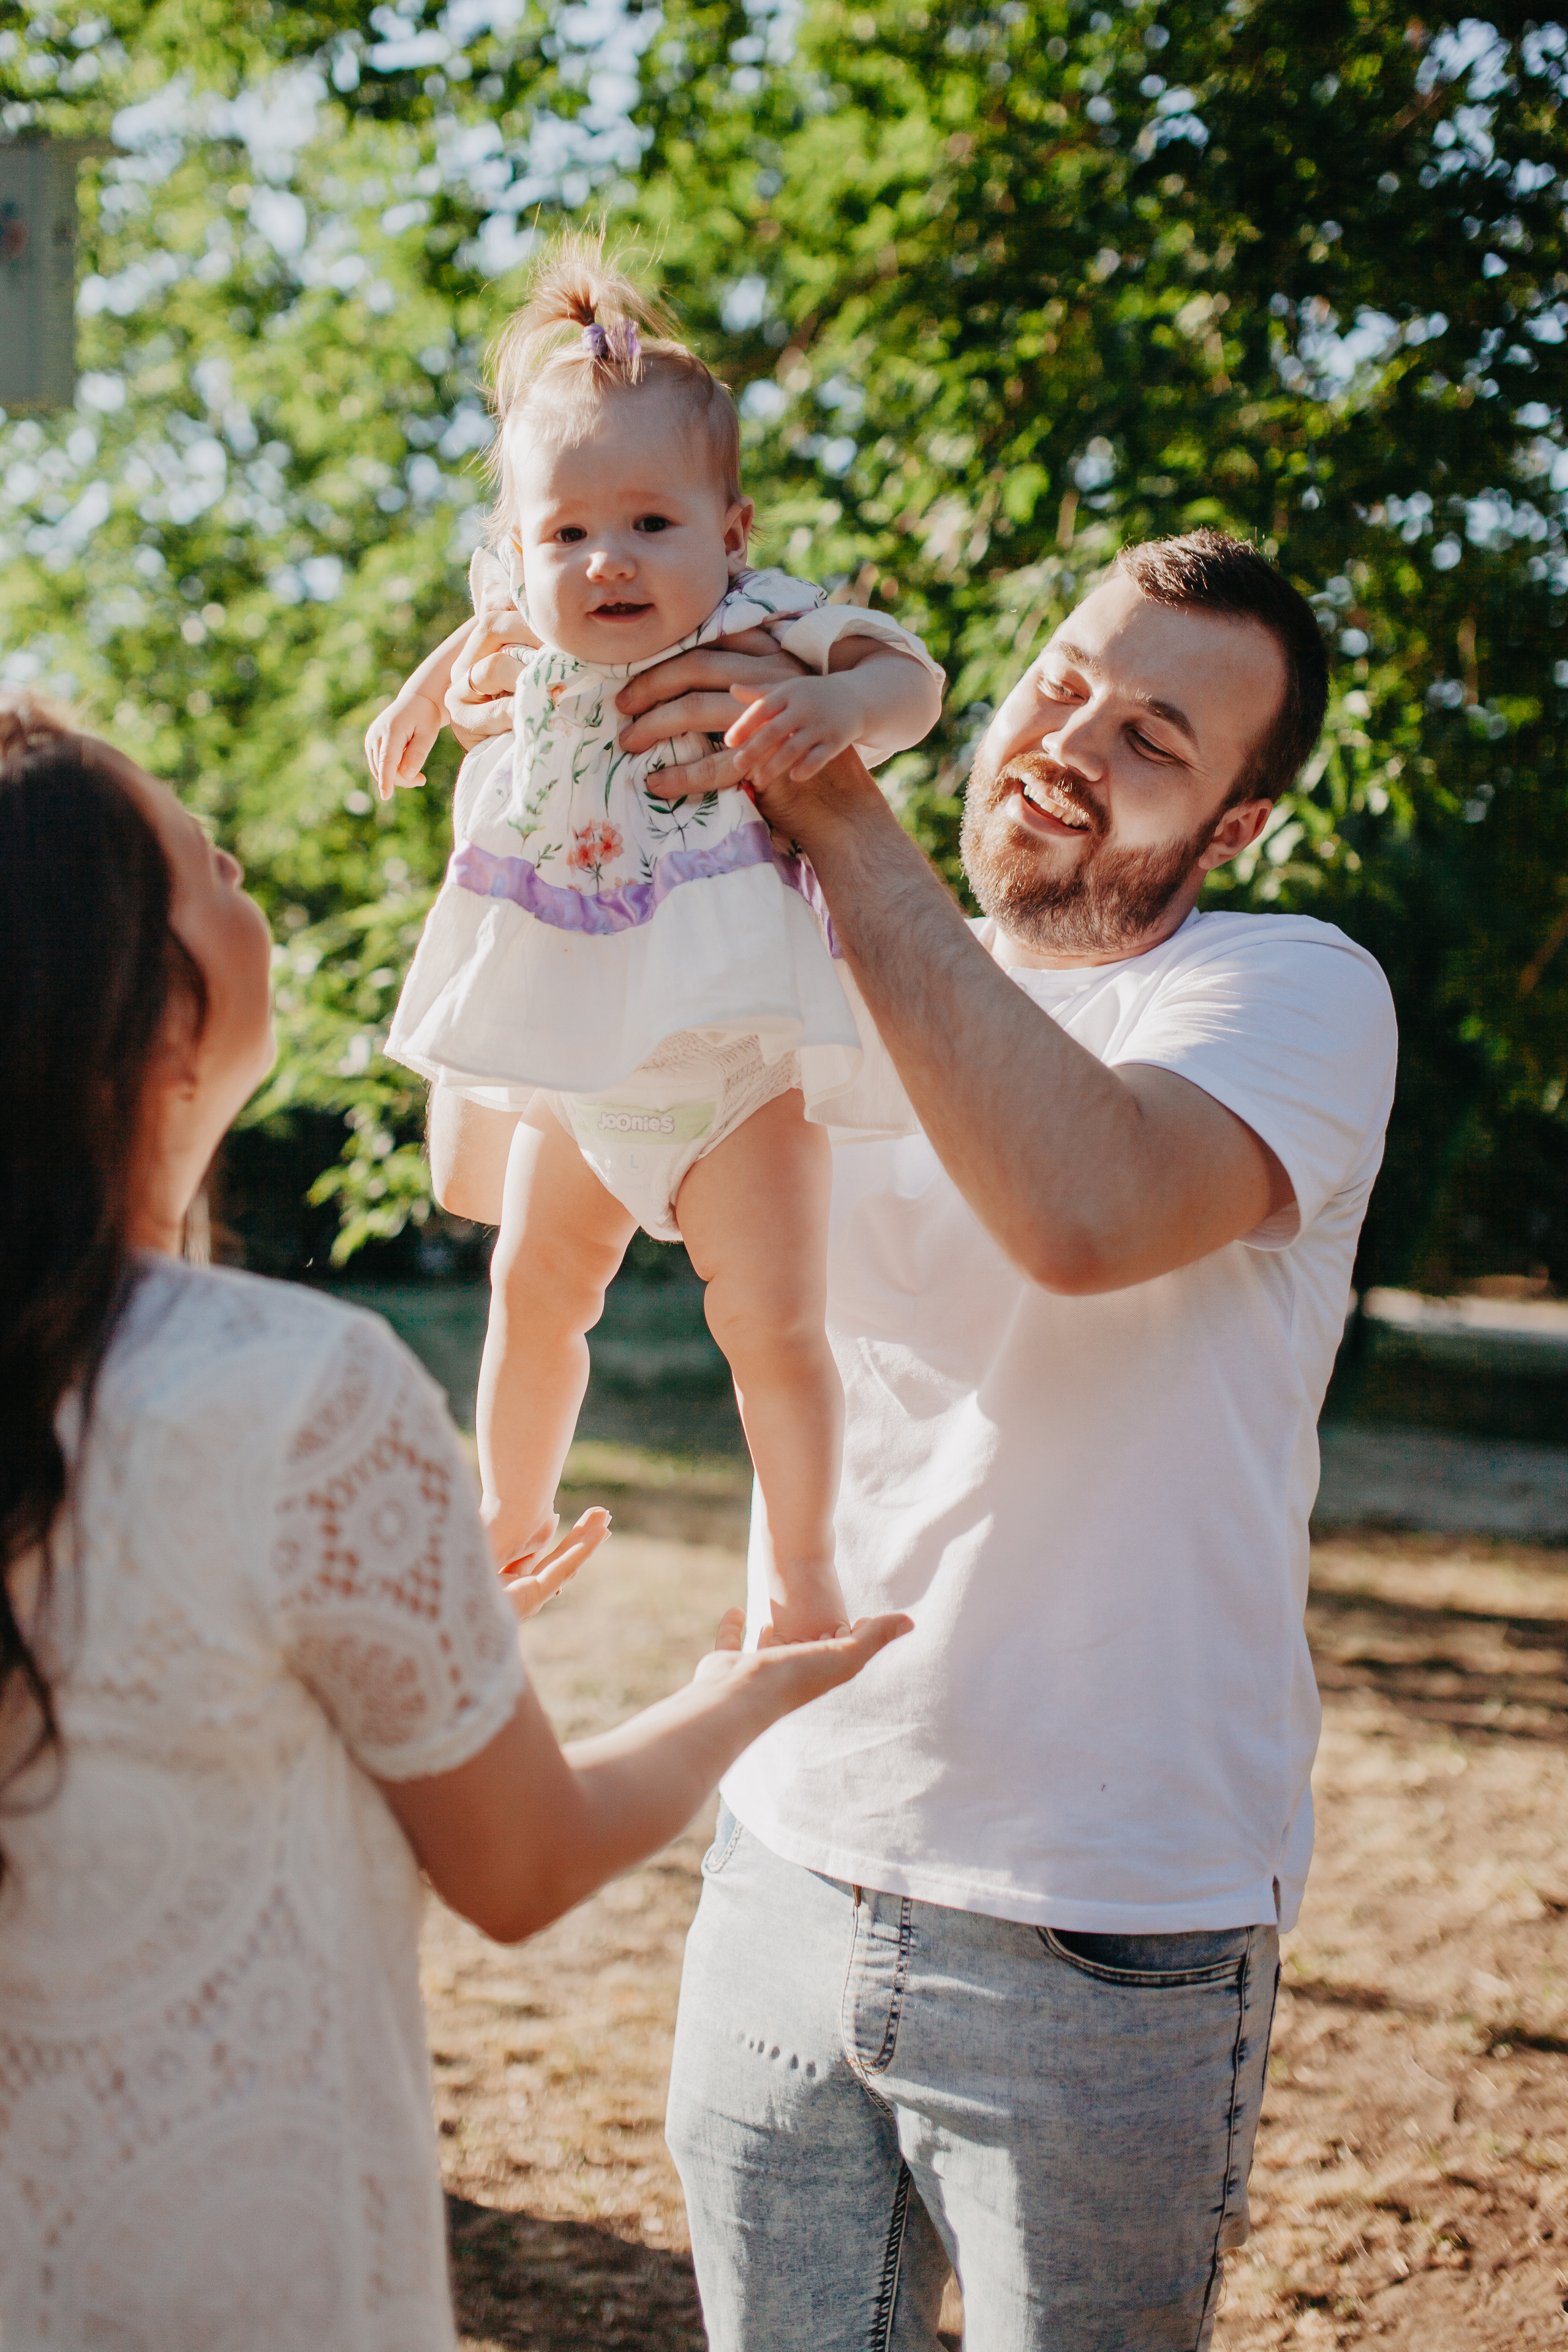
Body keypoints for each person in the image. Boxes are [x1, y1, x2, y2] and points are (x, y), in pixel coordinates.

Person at [0, 689, 908, 2352]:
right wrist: (746, 1692)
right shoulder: (300, 1387)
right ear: (156, 1018)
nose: (246, 876)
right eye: (210, 866)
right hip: (241, 2276)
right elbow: (522, 1863)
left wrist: (430, 1625)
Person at [605, 528, 1396, 2350]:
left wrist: (834, 810)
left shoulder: (1291, 988)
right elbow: (558, 1162)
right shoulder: (830, 957)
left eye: (1153, 741)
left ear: (1234, 829)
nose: (1070, 743)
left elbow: (1086, 1209)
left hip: (1102, 1922)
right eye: (1063, 684)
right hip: (787, 1847)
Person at [364, 239, 944, 1643]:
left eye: (647, 524)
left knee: (771, 1323)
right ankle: (506, 1516)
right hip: (582, 1064)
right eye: (565, 535)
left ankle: (801, 1572)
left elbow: (911, 676)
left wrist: (844, 708)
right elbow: (480, 622)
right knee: (531, 1291)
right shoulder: (525, 631)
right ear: (521, 551)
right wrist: (421, 695)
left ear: (731, 534)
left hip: (737, 1057)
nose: (604, 559)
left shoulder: (759, 621)